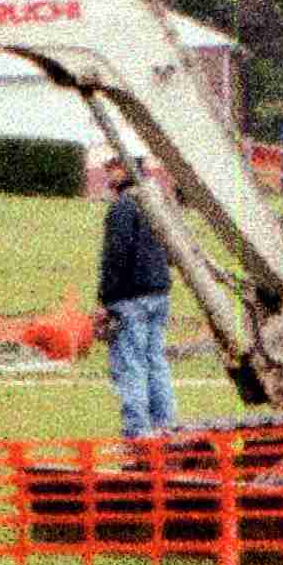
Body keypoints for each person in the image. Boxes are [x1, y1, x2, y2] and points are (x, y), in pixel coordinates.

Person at [94, 159, 177, 437]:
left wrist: (105, 300)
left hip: (129, 298)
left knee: (130, 365)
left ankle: (138, 435)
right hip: (159, 293)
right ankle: (165, 428)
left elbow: (115, 257)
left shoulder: (122, 208)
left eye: (112, 167)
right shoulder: (154, 202)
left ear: (126, 169)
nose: (107, 173)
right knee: (156, 361)